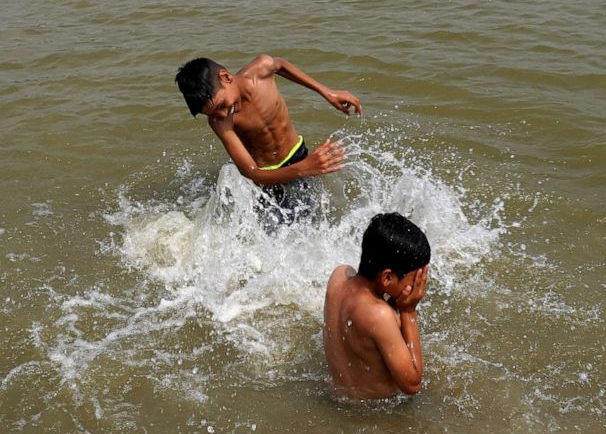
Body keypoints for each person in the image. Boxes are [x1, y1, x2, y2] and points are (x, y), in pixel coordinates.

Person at [174, 55, 362, 220]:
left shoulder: (260, 69)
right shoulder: (220, 122)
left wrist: (327, 92)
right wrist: (304, 169)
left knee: (315, 214)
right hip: (271, 178)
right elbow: (253, 174)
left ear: (226, 77)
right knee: (282, 231)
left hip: (299, 154)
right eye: (213, 113)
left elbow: (280, 65)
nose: (222, 114)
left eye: (222, 105)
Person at [323, 212, 431, 399]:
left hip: (339, 400)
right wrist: (408, 312)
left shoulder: (338, 276)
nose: (418, 288)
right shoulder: (379, 315)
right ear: (387, 277)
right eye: (414, 280)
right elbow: (412, 384)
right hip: (375, 412)